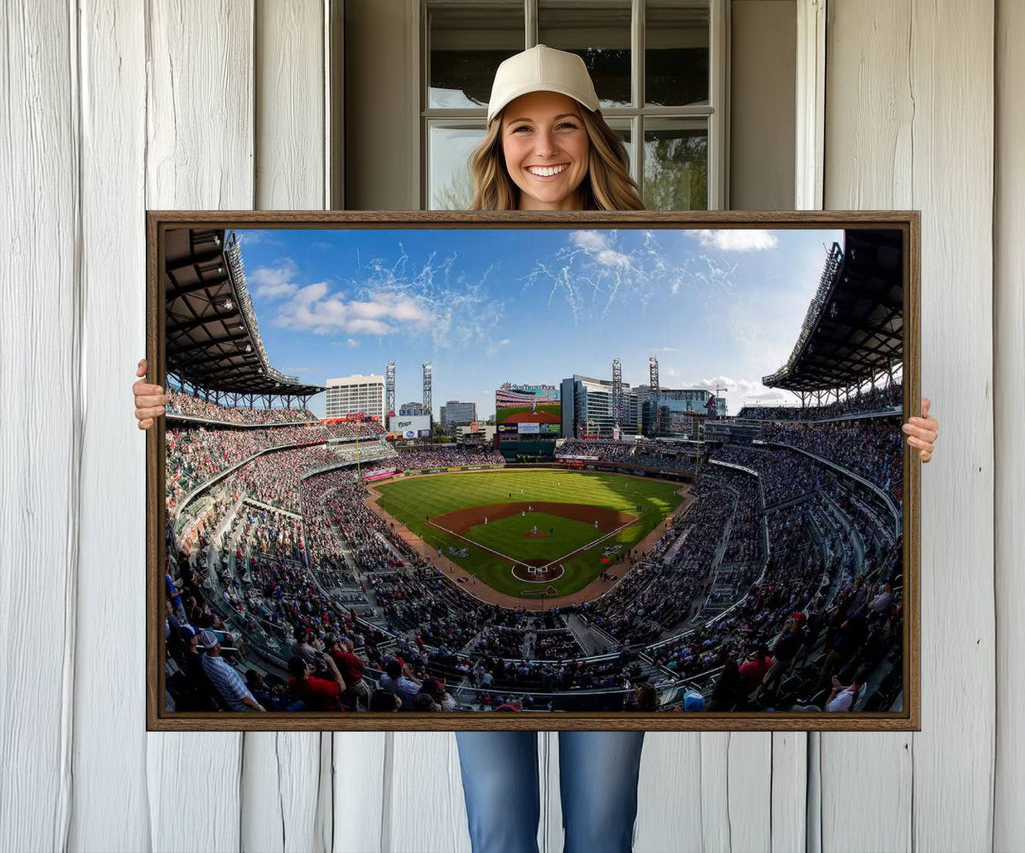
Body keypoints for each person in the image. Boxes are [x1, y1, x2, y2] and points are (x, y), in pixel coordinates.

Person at [133, 43, 940, 853]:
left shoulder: (652, 241)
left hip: (589, 705)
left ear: (593, 135)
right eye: (521, 128)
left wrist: (903, 437)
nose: (544, 148)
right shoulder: (454, 245)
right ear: (495, 143)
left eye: (564, 126)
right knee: (500, 832)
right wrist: (165, 410)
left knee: (599, 831)